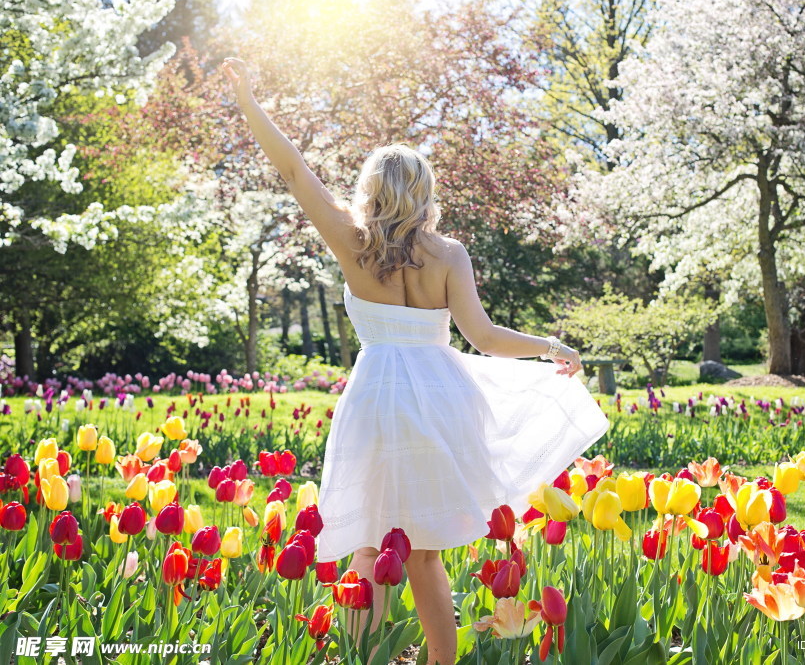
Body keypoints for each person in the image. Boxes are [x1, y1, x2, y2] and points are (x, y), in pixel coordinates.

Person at [222, 57, 609, 665]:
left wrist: (247, 100)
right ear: (425, 192)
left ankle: (360, 660)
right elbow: (482, 338)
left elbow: (295, 172)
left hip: (379, 396)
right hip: (441, 397)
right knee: (424, 551)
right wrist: (550, 347)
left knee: (367, 545)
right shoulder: (449, 253)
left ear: (371, 190)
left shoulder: (354, 242)